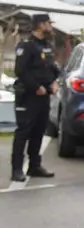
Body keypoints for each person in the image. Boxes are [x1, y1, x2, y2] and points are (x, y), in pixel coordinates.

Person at [10, 13, 59, 182]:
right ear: (40, 25)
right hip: (28, 95)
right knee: (23, 131)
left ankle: (34, 166)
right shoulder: (27, 45)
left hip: (44, 96)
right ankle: (17, 169)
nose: (50, 26)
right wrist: (36, 86)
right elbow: (21, 70)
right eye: (48, 23)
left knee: (39, 131)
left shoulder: (46, 45)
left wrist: (54, 82)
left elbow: (52, 68)